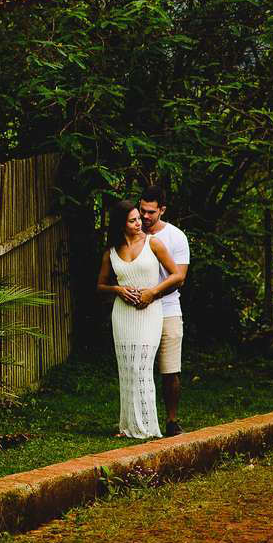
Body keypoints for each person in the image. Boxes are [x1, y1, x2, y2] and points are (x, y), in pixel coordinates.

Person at [96, 199, 183, 439]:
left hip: (149, 311)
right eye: (133, 220)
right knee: (127, 369)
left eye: (139, 218)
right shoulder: (111, 251)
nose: (139, 222)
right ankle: (127, 426)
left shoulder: (153, 244)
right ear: (121, 224)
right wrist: (118, 290)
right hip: (123, 314)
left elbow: (177, 276)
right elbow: (100, 286)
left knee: (142, 366)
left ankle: (147, 427)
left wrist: (153, 292)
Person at [137, 186, 189, 436]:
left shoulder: (176, 237)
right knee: (139, 366)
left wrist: (153, 294)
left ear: (162, 210)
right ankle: (141, 421)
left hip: (168, 309)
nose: (145, 217)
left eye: (150, 212)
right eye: (142, 211)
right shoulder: (131, 234)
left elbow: (180, 278)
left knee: (170, 368)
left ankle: (172, 421)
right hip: (138, 310)